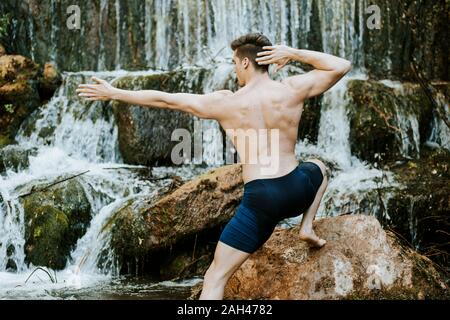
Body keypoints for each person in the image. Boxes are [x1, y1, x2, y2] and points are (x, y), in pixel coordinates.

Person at [76, 32, 352, 300]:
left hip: (262, 201)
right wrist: (293, 53)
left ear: (245, 62)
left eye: (234, 63)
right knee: (319, 167)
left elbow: (165, 99)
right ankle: (307, 227)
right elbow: (341, 66)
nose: (235, 70)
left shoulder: (226, 103)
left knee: (215, 277)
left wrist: (114, 92)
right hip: (296, 190)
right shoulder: (292, 88)